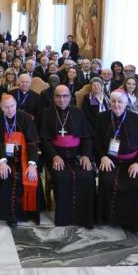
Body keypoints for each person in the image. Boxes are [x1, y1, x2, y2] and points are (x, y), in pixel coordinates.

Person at [95, 91, 138, 234]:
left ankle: (133, 222)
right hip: (110, 161)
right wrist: (103, 156)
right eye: (113, 101)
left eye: (120, 102)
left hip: (133, 162)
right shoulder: (101, 118)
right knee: (106, 180)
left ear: (126, 104)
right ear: (109, 102)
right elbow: (96, 142)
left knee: (137, 187)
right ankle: (109, 219)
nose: (116, 105)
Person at [39, 85, 96, 227]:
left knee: (87, 176)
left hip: (77, 156)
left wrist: (85, 155)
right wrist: (54, 156)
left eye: (65, 96)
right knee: (62, 177)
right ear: (54, 97)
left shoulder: (78, 113)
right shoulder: (46, 113)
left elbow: (87, 137)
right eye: (58, 96)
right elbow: (44, 139)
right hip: (57, 155)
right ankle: (64, 218)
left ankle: (84, 217)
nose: (62, 99)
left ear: (70, 97)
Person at [0, 95, 43, 227]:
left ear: (16, 105)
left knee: (31, 176)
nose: (10, 110)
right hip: (4, 159)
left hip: (23, 158)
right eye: (6, 107)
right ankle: (10, 216)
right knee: (6, 178)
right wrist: (2, 162)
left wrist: (32, 164)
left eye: (12, 106)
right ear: (1, 107)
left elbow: (32, 143)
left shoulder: (25, 118)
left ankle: (28, 213)